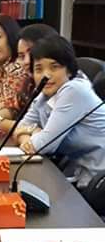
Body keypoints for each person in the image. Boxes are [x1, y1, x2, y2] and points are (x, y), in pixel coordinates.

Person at [15, 35, 105, 189]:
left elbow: (43, 145)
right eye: (38, 69)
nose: (46, 75)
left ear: (69, 70)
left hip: (99, 181)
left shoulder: (74, 90)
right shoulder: (45, 94)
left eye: (54, 67)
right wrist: (31, 134)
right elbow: (19, 129)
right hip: (81, 176)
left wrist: (30, 135)